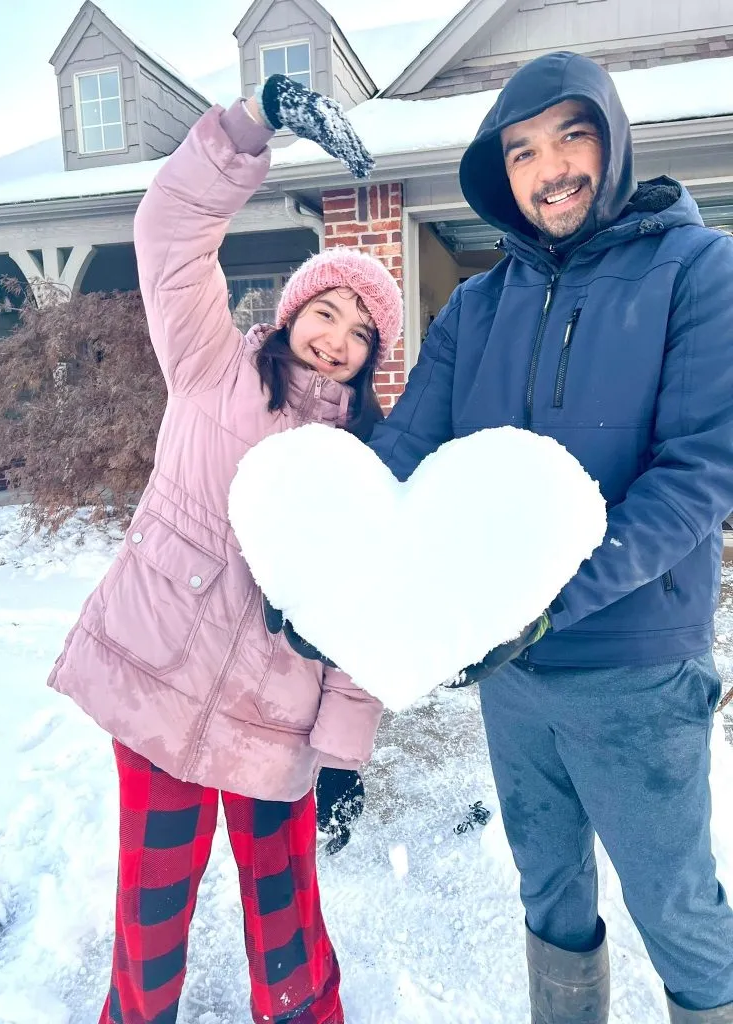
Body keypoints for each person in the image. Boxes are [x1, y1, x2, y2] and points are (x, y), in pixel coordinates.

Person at [367, 51, 733, 1023]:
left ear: (611, 142)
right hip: (512, 677)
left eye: (573, 134)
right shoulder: (478, 308)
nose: (550, 166)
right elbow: (403, 451)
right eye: (523, 149)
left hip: (637, 675)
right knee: (550, 897)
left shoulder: (697, 270)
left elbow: (700, 471)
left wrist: (549, 598)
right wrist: (329, 550)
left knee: (679, 912)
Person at [48, 75, 402, 1024]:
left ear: (372, 361)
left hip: (274, 722)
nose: (338, 339)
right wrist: (255, 121)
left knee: (286, 924)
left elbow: (366, 616)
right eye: (327, 311)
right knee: (151, 913)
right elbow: (167, 234)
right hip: (160, 683)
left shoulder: (365, 459)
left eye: (362, 333)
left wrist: (339, 748)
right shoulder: (212, 365)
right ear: (292, 312)